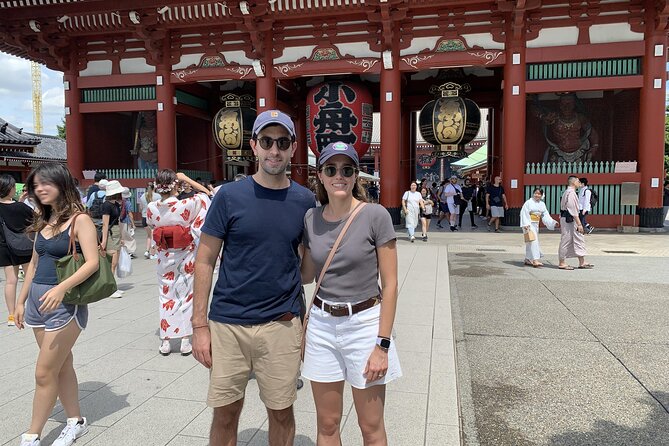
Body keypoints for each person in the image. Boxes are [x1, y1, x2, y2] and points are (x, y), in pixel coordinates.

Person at [191, 110, 315, 445]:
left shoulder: (305, 201)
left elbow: (306, 268)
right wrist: (199, 326)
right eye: (267, 141)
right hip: (229, 321)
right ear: (254, 146)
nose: (274, 150)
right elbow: (204, 260)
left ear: (292, 148)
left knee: (281, 411)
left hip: (282, 322)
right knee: (226, 412)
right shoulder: (229, 196)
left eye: (282, 142)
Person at [301, 141, 401, 445]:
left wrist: (382, 345)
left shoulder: (376, 215)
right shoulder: (310, 219)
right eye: (331, 169)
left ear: (356, 174)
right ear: (320, 175)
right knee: (327, 424)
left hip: (364, 323)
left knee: (370, 425)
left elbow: (392, 283)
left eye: (347, 169)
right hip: (321, 324)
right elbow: (306, 274)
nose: (339, 176)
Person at [14, 163, 100, 446]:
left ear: (62, 185)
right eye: (35, 185)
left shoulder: (80, 220)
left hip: (64, 303)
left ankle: (32, 435)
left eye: (45, 183)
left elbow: (92, 262)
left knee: (43, 372)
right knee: (61, 365)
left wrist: (62, 288)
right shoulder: (44, 221)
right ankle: (75, 421)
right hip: (38, 301)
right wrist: (20, 301)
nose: (39, 189)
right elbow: (34, 264)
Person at [146, 170, 210, 356]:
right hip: (185, 257)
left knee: (165, 297)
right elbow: (207, 195)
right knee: (186, 295)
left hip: (164, 257)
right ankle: (184, 341)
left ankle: (165, 342)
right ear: (176, 185)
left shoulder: (151, 207)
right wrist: (187, 178)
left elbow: (151, 225)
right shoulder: (186, 205)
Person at [0, 175, 34, 326]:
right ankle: (32, 309)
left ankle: (11, 316)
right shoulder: (21, 207)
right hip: (23, 246)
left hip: (4, 247)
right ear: (10, 189)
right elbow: (36, 218)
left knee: (10, 281)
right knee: (30, 278)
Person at [533, 93, 600, 163]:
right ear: (559, 105)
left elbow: (591, 131)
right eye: (563, 104)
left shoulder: (580, 118)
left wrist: (594, 147)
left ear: (574, 104)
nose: (566, 107)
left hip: (579, 152)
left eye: (569, 104)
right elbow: (533, 108)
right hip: (559, 152)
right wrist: (542, 116)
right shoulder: (554, 117)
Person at [558, 176, 593, 270]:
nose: (579, 182)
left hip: (570, 218)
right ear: (573, 182)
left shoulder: (570, 192)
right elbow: (573, 210)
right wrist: (579, 224)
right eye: (578, 181)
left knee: (578, 238)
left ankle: (582, 261)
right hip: (569, 219)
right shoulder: (570, 193)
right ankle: (562, 262)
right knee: (567, 239)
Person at [520, 188, 559, 267]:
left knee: (529, 242)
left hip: (536, 224)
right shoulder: (528, 203)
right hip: (529, 224)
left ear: (541, 195)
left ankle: (527, 259)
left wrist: (553, 222)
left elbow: (545, 215)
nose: (537, 195)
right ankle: (535, 260)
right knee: (533, 241)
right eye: (535, 193)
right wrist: (526, 223)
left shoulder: (542, 204)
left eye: (539, 194)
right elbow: (523, 213)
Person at [99, 180, 125, 297]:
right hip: (109, 233)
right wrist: (104, 241)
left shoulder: (116, 204)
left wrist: (122, 236)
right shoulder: (106, 205)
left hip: (115, 232)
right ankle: (109, 288)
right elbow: (105, 224)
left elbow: (118, 221)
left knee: (115, 262)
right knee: (112, 262)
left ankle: (112, 286)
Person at [138, 183, 158, 259]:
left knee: (149, 236)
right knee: (154, 236)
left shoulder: (142, 196)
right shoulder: (157, 196)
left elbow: (140, 208)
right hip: (153, 218)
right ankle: (153, 253)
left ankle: (147, 251)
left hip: (144, 217)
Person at [119, 188, 136, 257]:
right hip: (126, 221)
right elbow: (129, 214)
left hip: (120, 221)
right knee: (129, 237)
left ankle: (123, 251)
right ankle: (130, 251)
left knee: (122, 236)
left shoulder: (119, 201)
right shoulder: (127, 202)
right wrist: (133, 224)